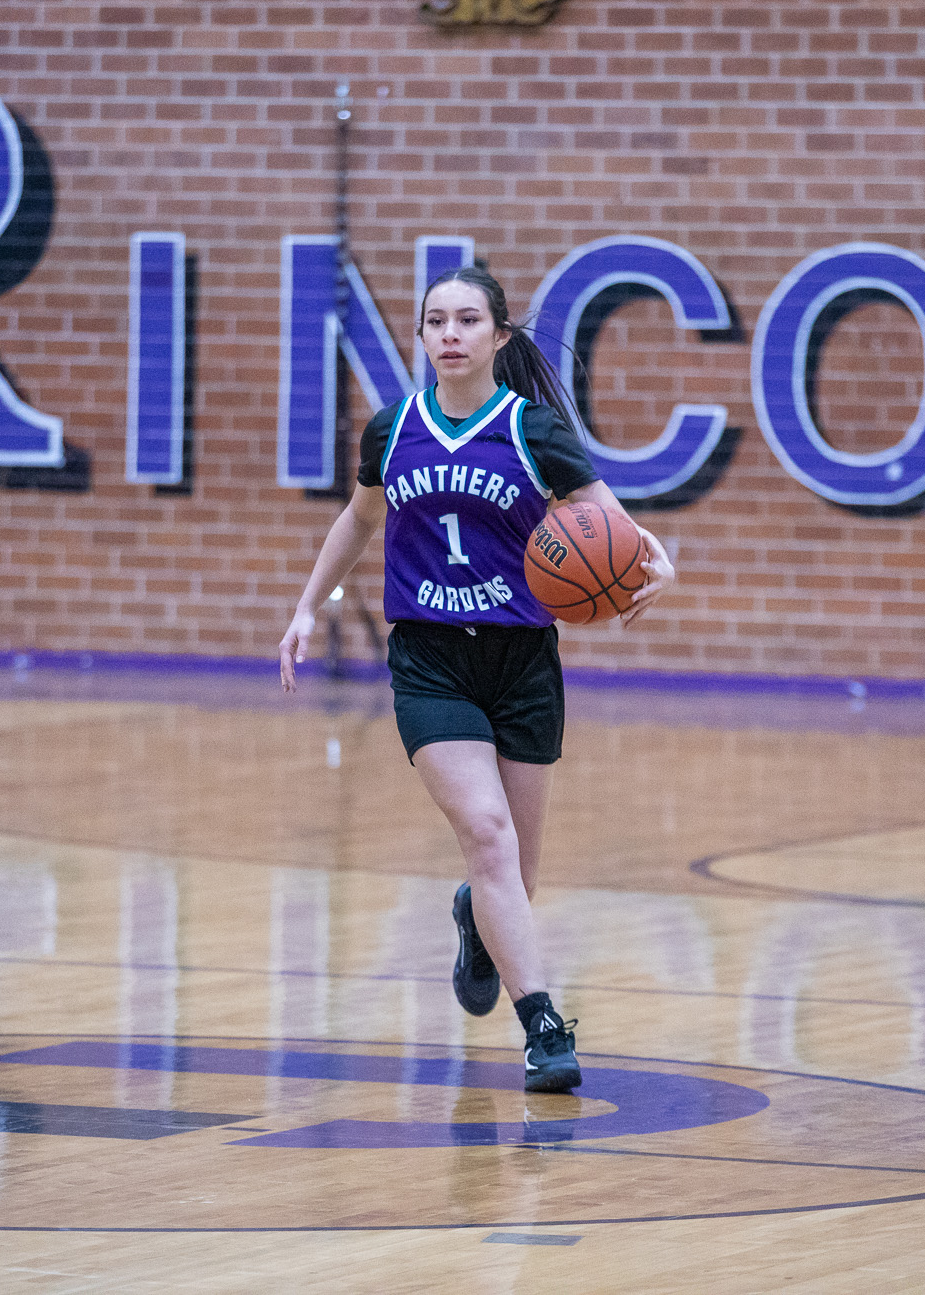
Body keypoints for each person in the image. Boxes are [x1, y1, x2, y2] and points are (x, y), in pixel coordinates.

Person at [278, 266, 674, 1093]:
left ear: (498, 337)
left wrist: (652, 557)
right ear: (421, 338)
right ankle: (545, 1028)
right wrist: (309, 607)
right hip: (431, 659)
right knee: (489, 835)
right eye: (434, 321)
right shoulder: (392, 431)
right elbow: (360, 515)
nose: (449, 333)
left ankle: (473, 914)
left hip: (523, 659)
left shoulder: (534, 433)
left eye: (467, 319)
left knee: (513, 879)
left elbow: (611, 522)